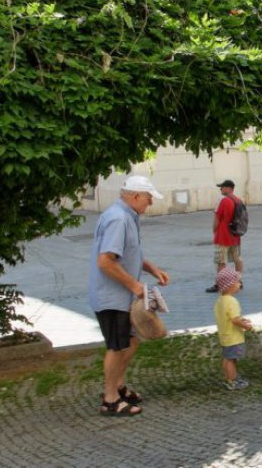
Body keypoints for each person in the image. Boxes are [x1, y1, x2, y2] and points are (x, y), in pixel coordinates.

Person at [89, 175, 170, 417]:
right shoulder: (118, 219)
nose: (150, 203)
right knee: (117, 346)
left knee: (132, 339)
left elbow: (128, 252)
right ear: (135, 196)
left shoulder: (127, 216)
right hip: (112, 297)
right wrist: (135, 286)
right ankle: (110, 399)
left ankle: (118, 385)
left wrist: (152, 269)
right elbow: (105, 261)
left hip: (122, 296)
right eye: (148, 198)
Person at [213, 267, 252, 390]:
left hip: (225, 335)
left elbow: (228, 317)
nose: (239, 284)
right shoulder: (232, 301)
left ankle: (230, 378)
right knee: (231, 360)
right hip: (233, 337)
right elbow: (235, 319)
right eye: (237, 282)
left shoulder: (220, 301)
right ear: (229, 285)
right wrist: (246, 325)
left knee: (227, 358)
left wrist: (241, 319)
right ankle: (233, 381)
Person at [206, 179, 244, 293]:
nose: (220, 189)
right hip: (235, 236)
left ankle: (219, 285)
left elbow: (217, 219)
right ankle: (239, 281)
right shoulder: (239, 201)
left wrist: (214, 230)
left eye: (222, 187)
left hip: (223, 236)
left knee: (221, 261)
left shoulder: (224, 201)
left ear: (229, 188)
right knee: (237, 259)